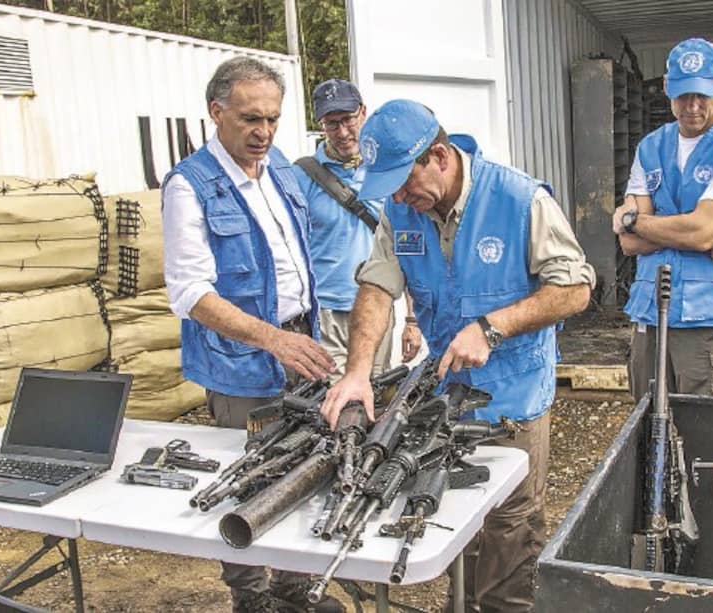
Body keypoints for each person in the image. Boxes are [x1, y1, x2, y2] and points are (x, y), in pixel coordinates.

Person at [320, 99, 595, 612]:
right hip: (448, 396)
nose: (400, 196)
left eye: (405, 182)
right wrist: (357, 372)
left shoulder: (518, 198)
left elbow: (575, 288)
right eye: (391, 188)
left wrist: (492, 327)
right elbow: (378, 288)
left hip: (513, 395)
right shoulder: (401, 209)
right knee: (454, 517)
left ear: (440, 157)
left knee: (510, 528)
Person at [161, 56, 341, 613]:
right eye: (249, 119)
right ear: (216, 113)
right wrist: (273, 339)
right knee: (247, 478)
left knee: (304, 468)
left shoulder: (282, 169)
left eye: (272, 119)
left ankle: (293, 592)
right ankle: (254, 599)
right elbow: (191, 295)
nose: (263, 132)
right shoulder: (189, 187)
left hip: (300, 347)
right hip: (242, 362)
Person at [613, 38, 713, 401]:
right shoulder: (651, 146)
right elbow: (630, 243)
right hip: (651, 312)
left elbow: (701, 231)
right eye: (682, 94)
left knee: (708, 441)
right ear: (666, 88)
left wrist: (633, 219)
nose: (691, 106)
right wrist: (694, 229)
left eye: (702, 94)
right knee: (647, 440)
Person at [293, 79, 421, 376]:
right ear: (321, 125)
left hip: (377, 305)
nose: (342, 132)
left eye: (348, 120)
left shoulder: (386, 171)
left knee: (373, 393)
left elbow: (408, 244)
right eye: (332, 124)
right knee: (334, 400)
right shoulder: (302, 175)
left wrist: (411, 320)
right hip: (326, 312)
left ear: (363, 113)